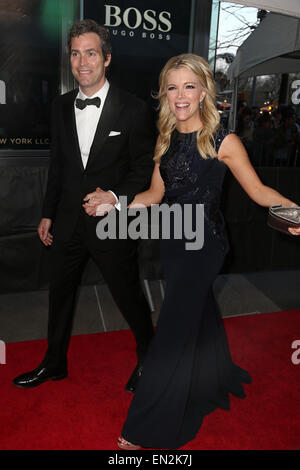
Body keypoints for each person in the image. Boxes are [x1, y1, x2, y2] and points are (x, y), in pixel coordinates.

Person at [117, 53, 300, 450]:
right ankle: (214, 376)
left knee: (170, 331)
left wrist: (295, 213)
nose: (180, 95)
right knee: (197, 313)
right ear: (164, 94)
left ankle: (144, 428)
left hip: (205, 247)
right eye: (172, 87)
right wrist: (114, 203)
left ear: (203, 91)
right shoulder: (164, 139)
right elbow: (153, 195)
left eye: (189, 86)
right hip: (173, 240)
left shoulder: (223, 140)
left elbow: (259, 192)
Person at [13, 19, 155, 392]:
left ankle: (148, 356)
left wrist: (113, 197)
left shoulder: (134, 109)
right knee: (60, 295)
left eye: (90, 53)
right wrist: (47, 212)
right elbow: (58, 165)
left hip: (113, 222)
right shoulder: (60, 107)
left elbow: (143, 169)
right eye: (75, 54)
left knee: (128, 295)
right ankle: (54, 362)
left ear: (106, 58)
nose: (82, 62)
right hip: (66, 221)